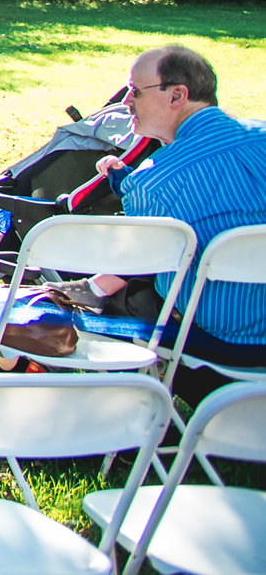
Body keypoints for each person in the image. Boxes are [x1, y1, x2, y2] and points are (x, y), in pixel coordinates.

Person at [78, 46, 266, 393]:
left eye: (135, 90)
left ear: (178, 95)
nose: (125, 102)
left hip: (224, 346)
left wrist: (88, 289)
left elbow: (134, 263)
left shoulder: (152, 183)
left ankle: (129, 423)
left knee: (124, 294)